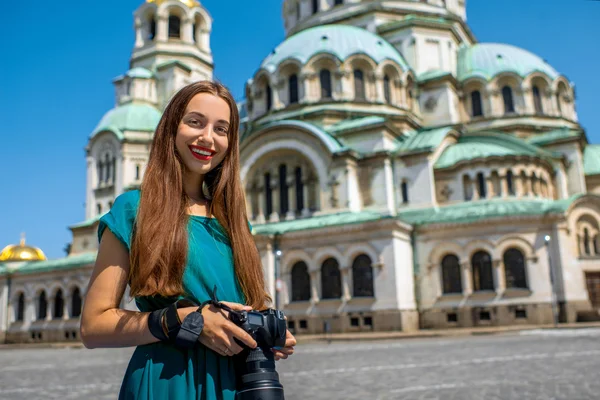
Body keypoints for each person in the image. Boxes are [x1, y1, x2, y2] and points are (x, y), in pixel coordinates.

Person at [80, 80, 296, 399]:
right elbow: (93, 327)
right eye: (195, 122)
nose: (208, 137)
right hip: (169, 382)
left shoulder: (235, 222)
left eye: (221, 129)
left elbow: (246, 303)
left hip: (237, 384)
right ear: (171, 128)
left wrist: (265, 331)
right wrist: (185, 319)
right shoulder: (133, 209)